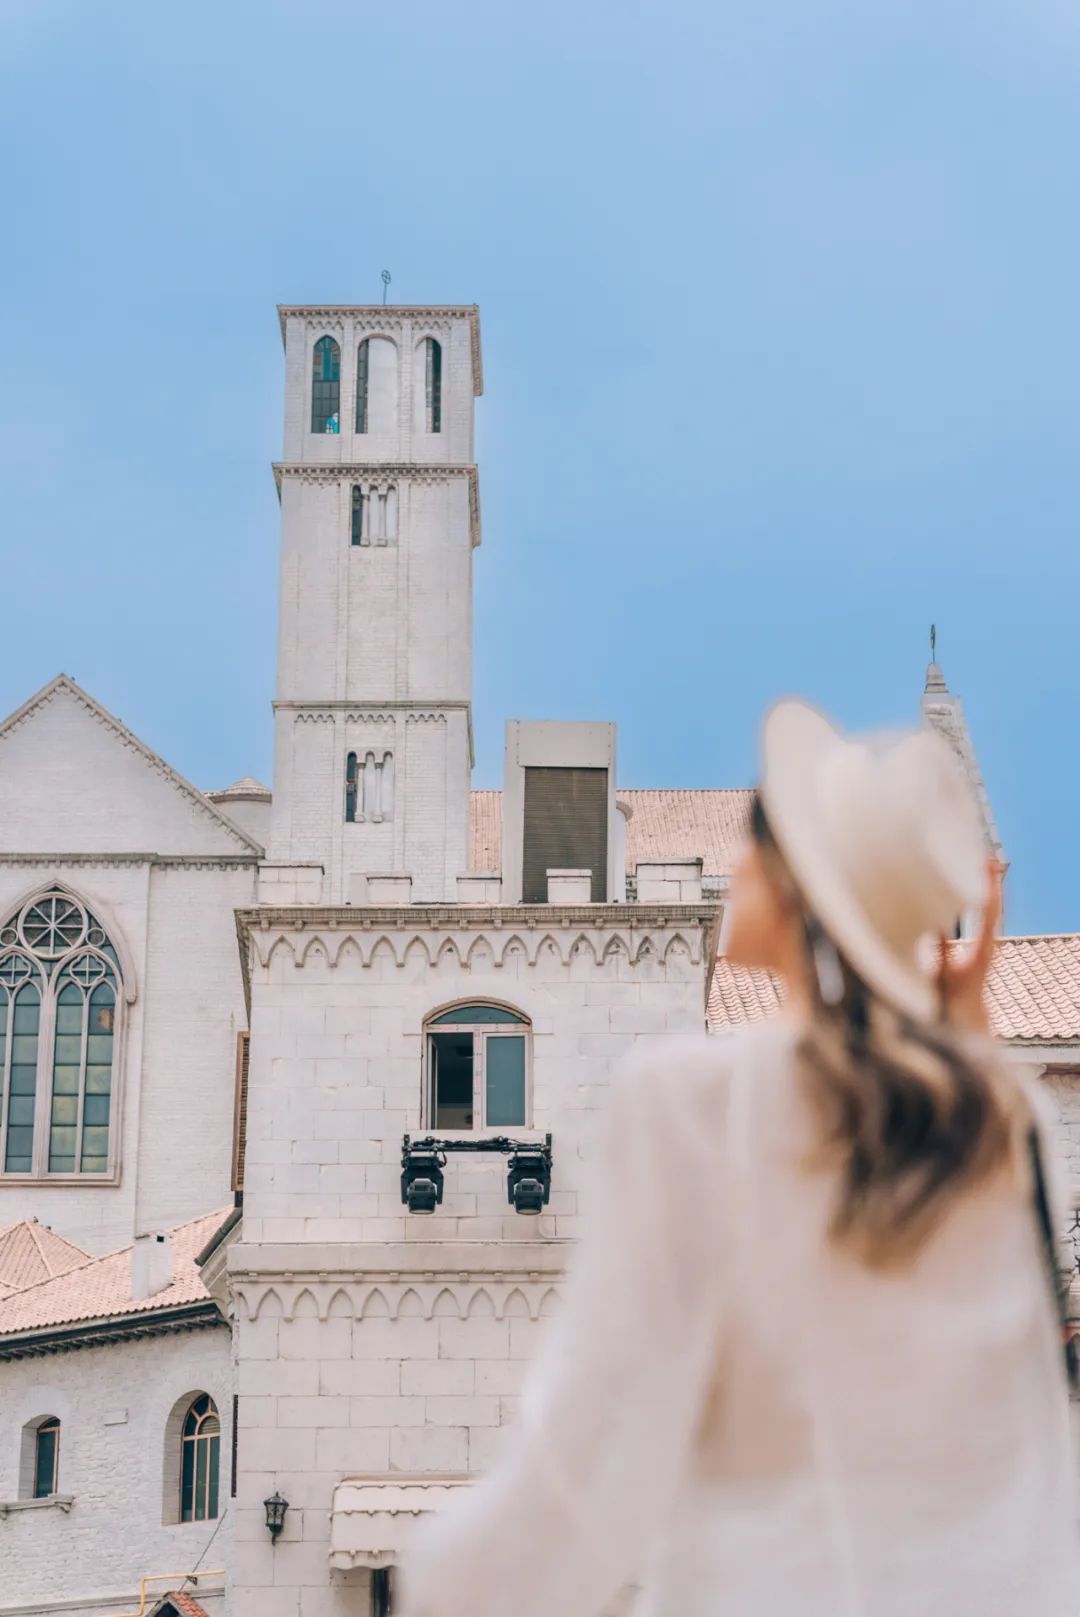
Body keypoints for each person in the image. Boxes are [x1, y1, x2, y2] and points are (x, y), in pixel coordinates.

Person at [400, 700, 1077, 1617]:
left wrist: (436, 1583)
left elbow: (590, 1454)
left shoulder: (694, 1103)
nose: (737, 856)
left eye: (757, 831)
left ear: (797, 883)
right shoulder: (1004, 1122)